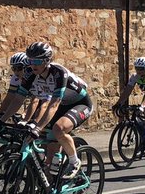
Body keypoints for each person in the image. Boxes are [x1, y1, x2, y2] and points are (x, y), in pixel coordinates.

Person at [16, 42, 92, 179]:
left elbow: (53, 104)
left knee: (58, 129)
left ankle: (74, 162)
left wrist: (37, 128)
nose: (33, 65)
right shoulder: (30, 72)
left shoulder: (58, 73)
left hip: (80, 103)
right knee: (48, 152)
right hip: (60, 105)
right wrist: (3, 120)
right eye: (30, 61)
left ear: (47, 60)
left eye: (37, 61)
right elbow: (18, 98)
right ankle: (50, 188)